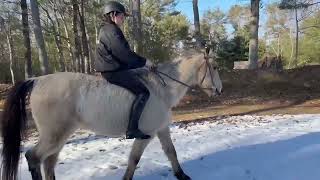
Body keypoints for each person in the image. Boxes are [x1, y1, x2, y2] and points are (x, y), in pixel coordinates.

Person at [95, 1, 153, 139]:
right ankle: (132, 129)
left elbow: (121, 55)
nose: (123, 19)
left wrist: (140, 66)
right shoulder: (110, 30)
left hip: (115, 68)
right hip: (112, 71)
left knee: (142, 76)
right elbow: (123, 53)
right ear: (113, 14)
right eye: (122, 16)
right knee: (144, 92)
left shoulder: (109, 29)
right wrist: (144, 62)